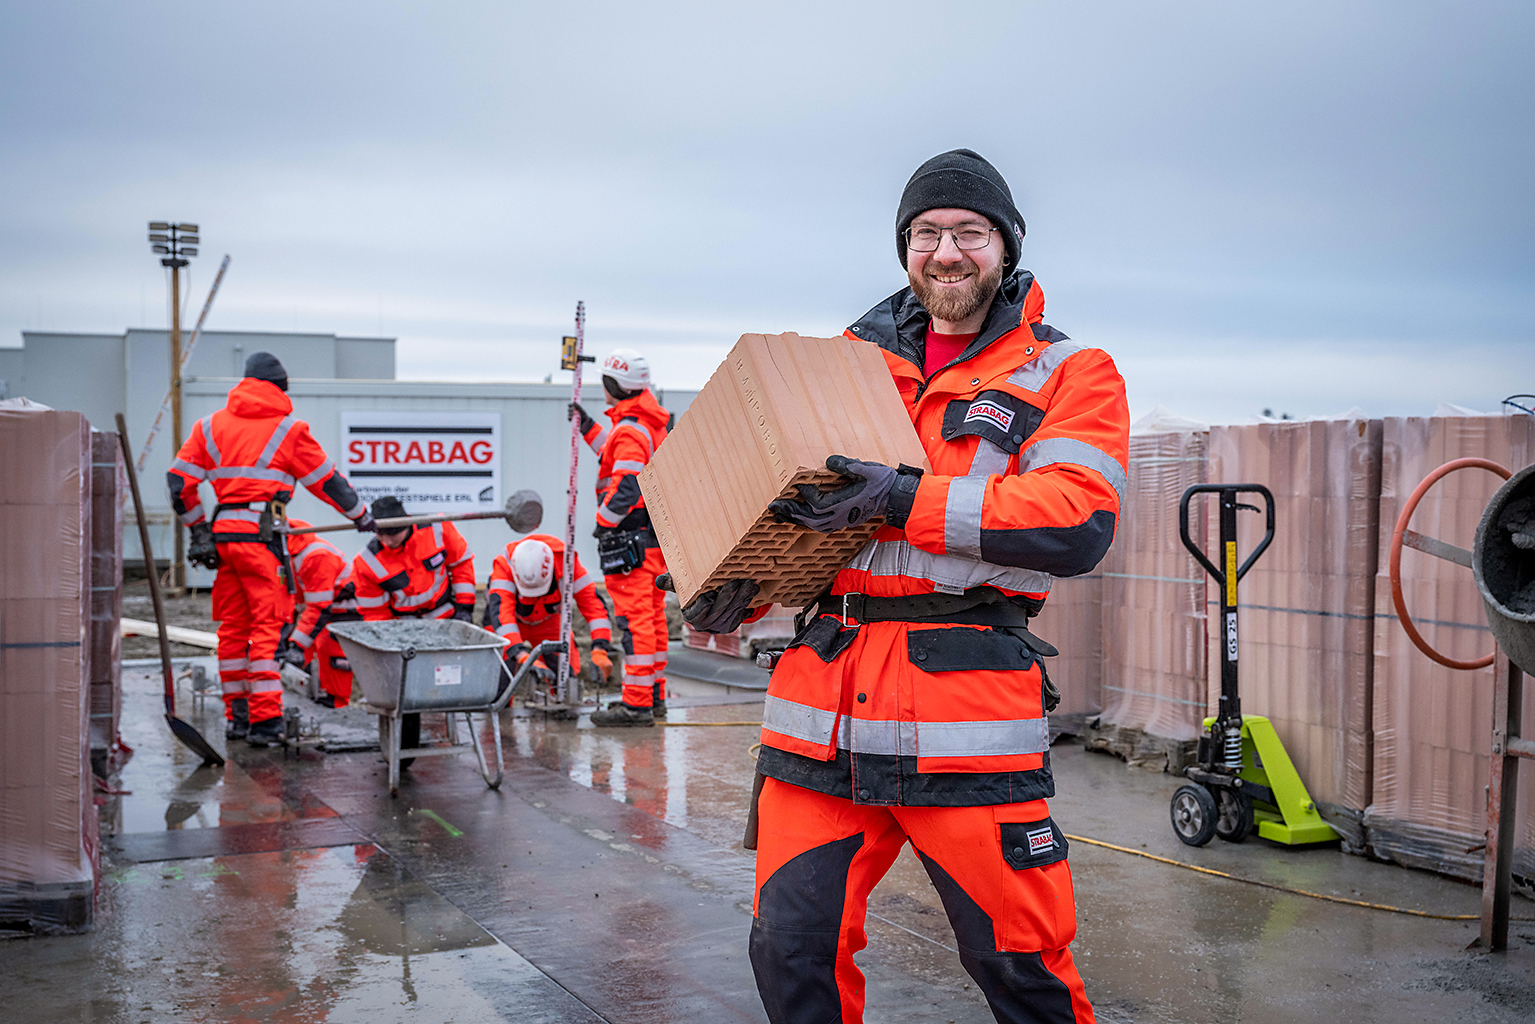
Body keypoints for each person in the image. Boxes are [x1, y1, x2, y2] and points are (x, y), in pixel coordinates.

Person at [686, 149, 1128, 1023]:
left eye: (969, 232)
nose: (947, 251)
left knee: (1019, 965)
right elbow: (792, 516)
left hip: (964, 715)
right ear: (903, 251)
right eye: (926, 233)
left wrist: (903, 498)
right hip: (824, 714)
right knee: (789, 946)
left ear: (1003, 247)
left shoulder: (1067, 372)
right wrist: (738, 583)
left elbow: (1077, 522)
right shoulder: (845, 365)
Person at [168, 351, 374, 747]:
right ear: (280, 388)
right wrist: (360, 515)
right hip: (260, 541)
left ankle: (238, 717)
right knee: (268, 625)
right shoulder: (288, 430)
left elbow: (179, 483)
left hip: (224, 540)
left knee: (232, 629)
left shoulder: (208, 427)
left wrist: (198, 531)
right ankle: (265, 721)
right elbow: (328, 481)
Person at [569, 348, 674, 726]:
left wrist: (603, 520)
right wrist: (587, 428)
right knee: (653, 619)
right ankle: (654, 695)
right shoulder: (645, 423)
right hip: (650, 541)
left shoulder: (631, 428)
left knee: (635, 623)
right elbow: (614, 454)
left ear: (614, 384)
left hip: (628, 542)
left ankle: (636, 705)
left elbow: (627, 484)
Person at [349, 494, 476, 755]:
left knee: (451, 682)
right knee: (408, 690)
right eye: (381, 535)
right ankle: (403, 740)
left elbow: (461, 564)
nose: (388, 540)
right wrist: (388, 648)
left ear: (408, 523)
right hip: (403, 634)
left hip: (445, 622)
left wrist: (465, 608)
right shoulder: (367, 564)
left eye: (394, 534)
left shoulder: (438, 529)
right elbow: (375, 616)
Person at [483, 534, 615, 697]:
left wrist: (600, 648)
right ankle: (498, 715)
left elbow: (593, 605)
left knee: (566, 676)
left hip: (548, 621)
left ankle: (562, 710)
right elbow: (503, 617)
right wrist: (522, 656)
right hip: (507, 625)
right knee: (496, 679)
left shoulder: (567, 564)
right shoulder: (505, 566)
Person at [278, 519, 355, 708]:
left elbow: (319, 607)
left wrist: (295, 644)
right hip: (326, 610)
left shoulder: (314, 556)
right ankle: (313, 693)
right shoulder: (291, 553)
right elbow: (296, 600)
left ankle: (335, 704)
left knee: (329, 650)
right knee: (304, 652)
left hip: (346, 611)